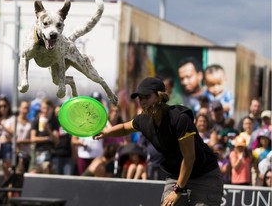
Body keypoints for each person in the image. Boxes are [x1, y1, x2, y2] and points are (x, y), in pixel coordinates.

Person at [94, 77, 223, 206]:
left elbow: (189, 158)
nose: (142, 101)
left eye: (146, 97)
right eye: (140, 98)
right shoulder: (143, 120)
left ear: (160, 96)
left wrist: (178, 190)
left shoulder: (180, 119)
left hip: (204, 175)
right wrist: (106, 132)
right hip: (176, 175)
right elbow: (123, 128)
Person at [30, 98, 59, 174]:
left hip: (50, 152)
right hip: (38, 151)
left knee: (47, 169)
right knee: (34, 172)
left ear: (51, 109)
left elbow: (56, 140)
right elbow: (33, 138)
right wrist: (47, 138)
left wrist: (48, 129)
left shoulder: (54, 122)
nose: (45, 110)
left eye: (48, 108)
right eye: (43, 108)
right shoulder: (36, 120)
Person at [14, 100, 32, 173]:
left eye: (27, 108)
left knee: (23, 175)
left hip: (26, 153)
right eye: (24, 108)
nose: (25, 110)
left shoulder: (29, 122)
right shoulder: (14, 120)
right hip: (15, 153)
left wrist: (21, 141)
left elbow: (31, 139)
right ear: (19, 108)